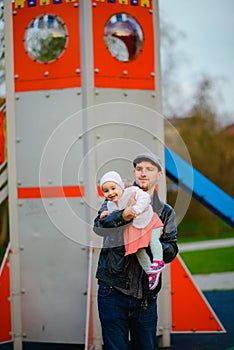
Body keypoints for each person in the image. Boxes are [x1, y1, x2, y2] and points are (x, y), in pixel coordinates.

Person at [93, 153, 178, 350]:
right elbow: (99, 227)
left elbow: (172, 250)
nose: (143, 173)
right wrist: (124, 215)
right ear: (134, 173)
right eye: (139, 168)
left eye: (149, 169)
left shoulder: (166, 212)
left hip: (145, 297)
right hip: (112, 290)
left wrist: (148, 240)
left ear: (159, 175)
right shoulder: (115, 197)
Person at [99, 170, 165, 290]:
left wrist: (136, 209)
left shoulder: (132, 192)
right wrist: (107, 214)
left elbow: (145, 198)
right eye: (106, 191)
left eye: (113, 188)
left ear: (120, 186)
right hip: (137, 228)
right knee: (137, 249)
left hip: (149, 220)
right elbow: (115, 214)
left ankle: (158, 260)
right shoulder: (110, 204)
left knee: (153, 240)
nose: (111, 193)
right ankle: (151, 272)